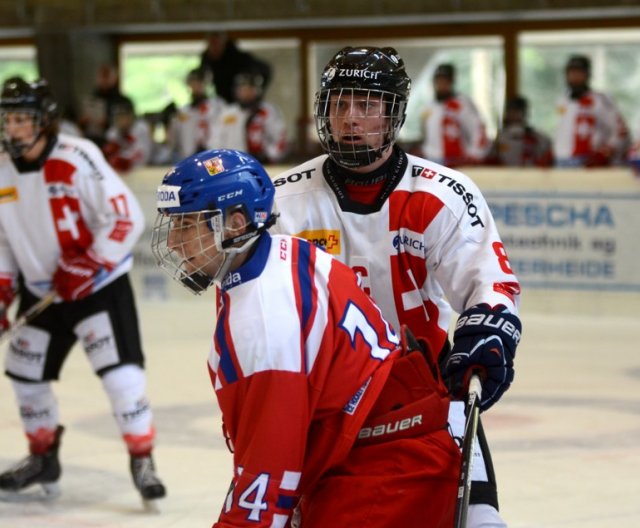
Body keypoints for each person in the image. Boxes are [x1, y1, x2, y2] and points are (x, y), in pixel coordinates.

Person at [271, 46, 522, 527]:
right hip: (323, 405)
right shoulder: (285, 199)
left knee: (483, 522)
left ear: (393, 114)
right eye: (340, 103)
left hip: (426, 390)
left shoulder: (441, 193)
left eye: (367, 104)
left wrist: (486, 329)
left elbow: (487, 281)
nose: (350, 118)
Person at [151, 148, 461, 527]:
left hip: (386, 470)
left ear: (235, 223)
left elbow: (269, 476)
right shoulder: (281, 252)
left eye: (186, 225)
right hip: (374, 452)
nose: (173, 243)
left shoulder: (264, 319)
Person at [0, 77, 166, 505]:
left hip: (97, 288)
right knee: (25, 373)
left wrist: (92, 261)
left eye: (22, 119)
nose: (13, 128)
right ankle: (42, 457)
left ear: (45, 121)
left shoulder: (78, 156)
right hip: (42, 293)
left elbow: (125, 216)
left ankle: (142, 457)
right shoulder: (0, 168)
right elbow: (2, 240)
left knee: (121, 377)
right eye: (8, 119)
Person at [553, 54, 631, 167]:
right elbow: (562, 132)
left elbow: (621, 132)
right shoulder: (562, 101)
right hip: (561, 161)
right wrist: (552, 152)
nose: (574, 77)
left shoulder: (599, 100)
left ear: (588, 75)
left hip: (587, 162)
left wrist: (604, 153)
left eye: (579, 73)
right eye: (571, 73)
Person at [209, 68, 288, 164]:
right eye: (242, 89)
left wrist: (269, 156)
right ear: (236, 91)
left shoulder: (267, 111)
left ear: (258, 91)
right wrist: (220, 165)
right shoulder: (226, 114)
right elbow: (214, 142)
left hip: (261, 165)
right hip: (232, 165)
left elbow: (280, 138)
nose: (246, 93)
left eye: (250, 89)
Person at [419, 62, 490, 167]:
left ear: (451, 82)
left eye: (445, 81)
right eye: (438, 81)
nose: (441, 84)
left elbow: (478, 130)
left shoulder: (461, 104)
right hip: (430, 160)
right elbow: (424, 134)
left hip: (456, 161)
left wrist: (474, 154)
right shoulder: (428, 107)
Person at [166, 67, 224, 162]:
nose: (196, 87)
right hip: (189, 158)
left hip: (213, 157)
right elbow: (173, 140)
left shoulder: (218, 106)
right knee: (192, 176)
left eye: (199, 83)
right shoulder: (182, 112)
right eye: (193, 83)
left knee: (214, 175)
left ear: (206, 84)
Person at [199, 31, 272, 105]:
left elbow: (265, 69)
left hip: (242, 102)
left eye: (217, 43)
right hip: (222, 101)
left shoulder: (239, 58)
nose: (214, 47)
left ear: (223, 43)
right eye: (212, 44)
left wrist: (257, 90)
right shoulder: (206, 60)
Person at [486, 94, 553, 167]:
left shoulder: (537, 137)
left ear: (525, 114)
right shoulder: (500, 138)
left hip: (530, 175)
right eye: (510, 111)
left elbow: (550, 154)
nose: (514, 115)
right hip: (504, 175)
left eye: (517, 111)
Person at [78, 63, 131, 148]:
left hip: (116, 144)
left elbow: (128, 126)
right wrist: (83, 123)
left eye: (107, 76)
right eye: (102, 76)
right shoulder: (91, 99)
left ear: (114, 78)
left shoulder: (123, 101)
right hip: (93, 141)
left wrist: (108, 123)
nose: (104, 80)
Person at [102, 97, 153, 173]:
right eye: (118, 116)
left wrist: (125, 161)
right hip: (128, 172)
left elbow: (144, 158)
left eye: (124, 115)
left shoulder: (141, 128)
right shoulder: (112, 132)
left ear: (131, 115)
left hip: (154, 165)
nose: (121, 120)